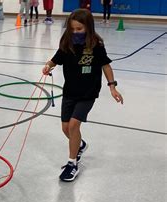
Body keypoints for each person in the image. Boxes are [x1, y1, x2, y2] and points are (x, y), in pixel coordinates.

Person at [42, 9, 123, 182]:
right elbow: (56, 59)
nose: (75, 32)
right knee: (66, 128)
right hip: (70, 92)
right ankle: (80, 144)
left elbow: (106, 66)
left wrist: (112, 87)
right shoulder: (67, 43)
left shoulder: (96, 45)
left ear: (89, 27)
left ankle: (72, 164)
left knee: (73, 126)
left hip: (88, 94)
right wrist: (48, 66)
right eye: (73, 29)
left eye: (79, 29)